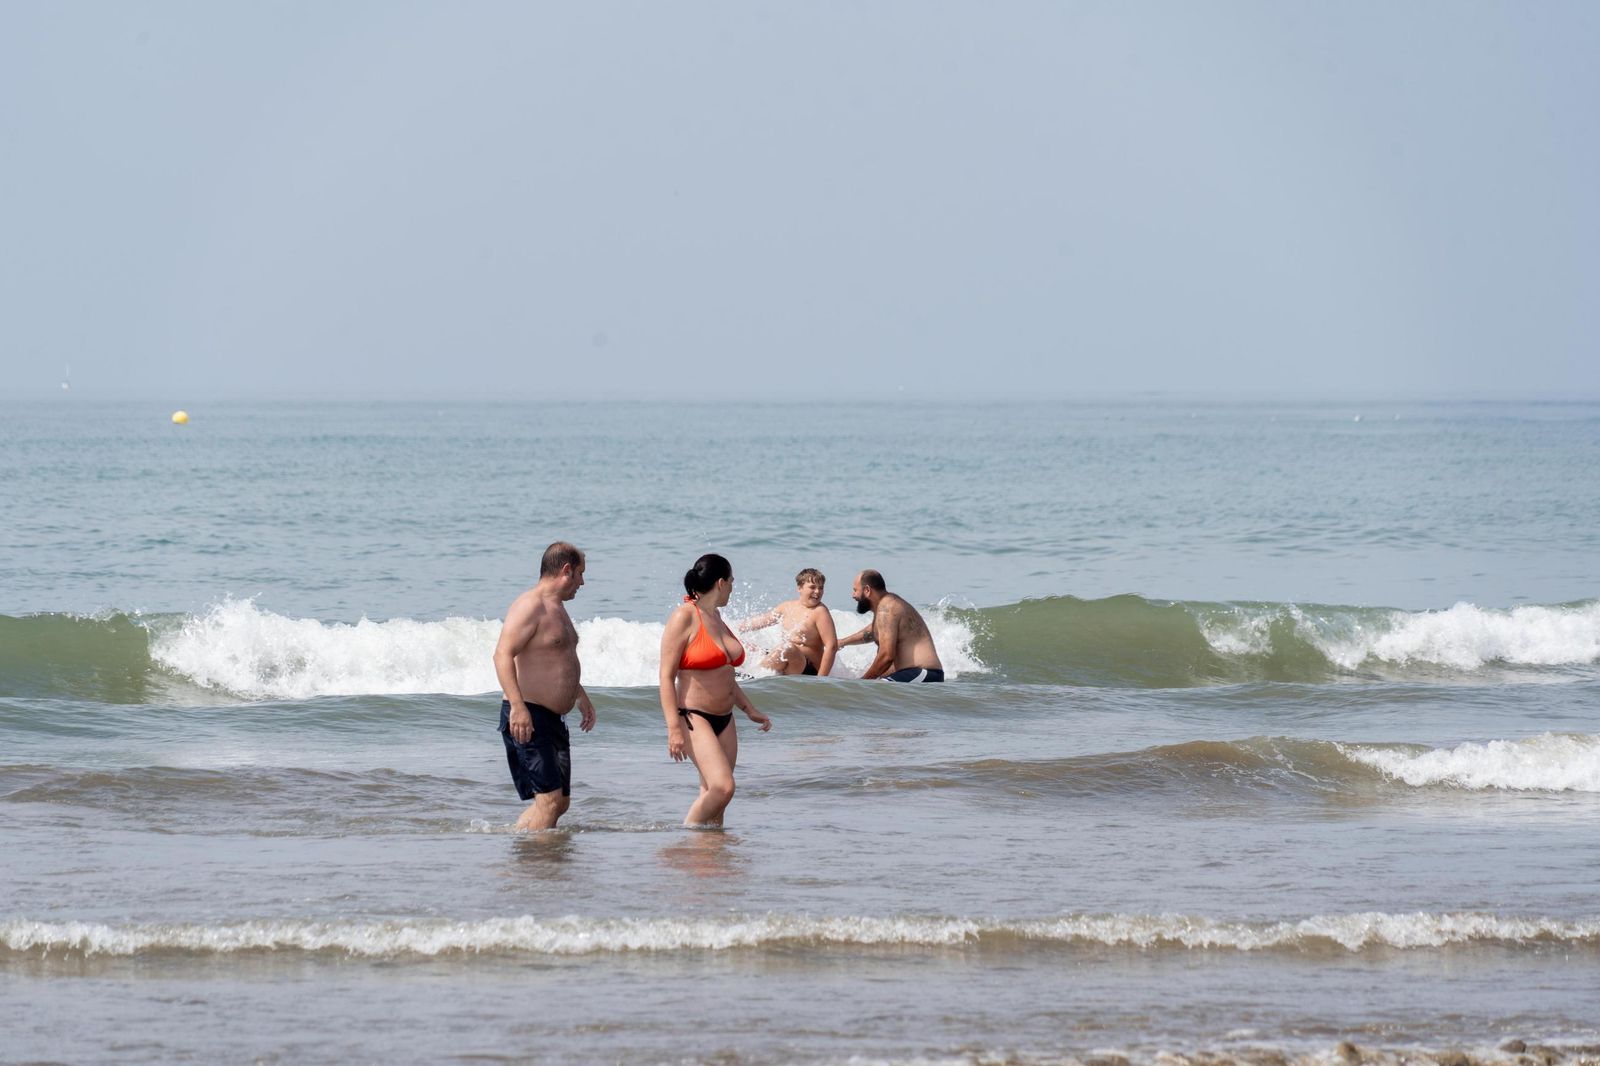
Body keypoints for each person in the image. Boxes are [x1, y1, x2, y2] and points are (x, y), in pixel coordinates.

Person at [658, 553, 773, 826]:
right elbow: (665, 677)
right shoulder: (684, 617)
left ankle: (709, 859)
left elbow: (726, 674)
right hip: (694, 717)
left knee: (716, 802)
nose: (733, 586)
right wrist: (673, 727)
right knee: (724, 788)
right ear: (721, 582)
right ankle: (684, 837)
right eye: (732, 581)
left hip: (725, 719)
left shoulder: (717, 616)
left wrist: (748, 708)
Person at [492, 541, 597, 830]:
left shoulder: (558, 608)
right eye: (580, 574)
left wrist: (580, 695)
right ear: (566, 570)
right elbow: (502, 654)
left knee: (559, 802)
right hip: (529, 715)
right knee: (549, 801)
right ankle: (537, 868)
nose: (583, 582)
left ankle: (521, 842)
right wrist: (517, 707)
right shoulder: (530, 606)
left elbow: (558, 659)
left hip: (553, 719)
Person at [836, 569, 946, 682]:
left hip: (924, 673)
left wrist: (863, 682)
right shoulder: (887, 606)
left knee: (872, 690)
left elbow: (886, 657)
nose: (853, 595)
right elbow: (872, 632)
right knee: (879, 688)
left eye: (855, 590)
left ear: (867, 590)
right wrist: (842, 642)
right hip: (917, 674)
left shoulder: (886, 609)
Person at [736, 567, 839, 676]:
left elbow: (832, 646)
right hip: (786, 658)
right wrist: (732, 629)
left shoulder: (820, 612)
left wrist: (821, 679)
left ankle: (751, 676)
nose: (817, 592)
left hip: (809, 668)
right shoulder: (787, 607)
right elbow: (759, 622)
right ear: (800, 588)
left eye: (821, 588)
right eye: (812, 587)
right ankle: (736, 674)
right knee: (746, 647)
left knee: (787, 648)